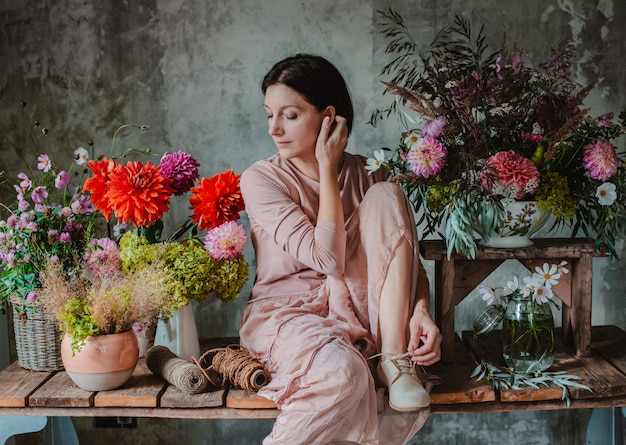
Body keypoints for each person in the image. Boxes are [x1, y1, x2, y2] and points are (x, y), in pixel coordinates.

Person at [239, 53, 442, 445]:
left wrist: (421, 311)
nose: (274, 130)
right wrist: (328, 171)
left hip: (365, 314)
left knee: (388, 193)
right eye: (269, 115)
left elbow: (405, 266)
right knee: (342, 373)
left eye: (290, 115)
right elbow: (326, 259)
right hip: (289, 315)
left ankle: (395, 363)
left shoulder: (370, 173)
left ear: (329, 116)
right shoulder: (262, 179)